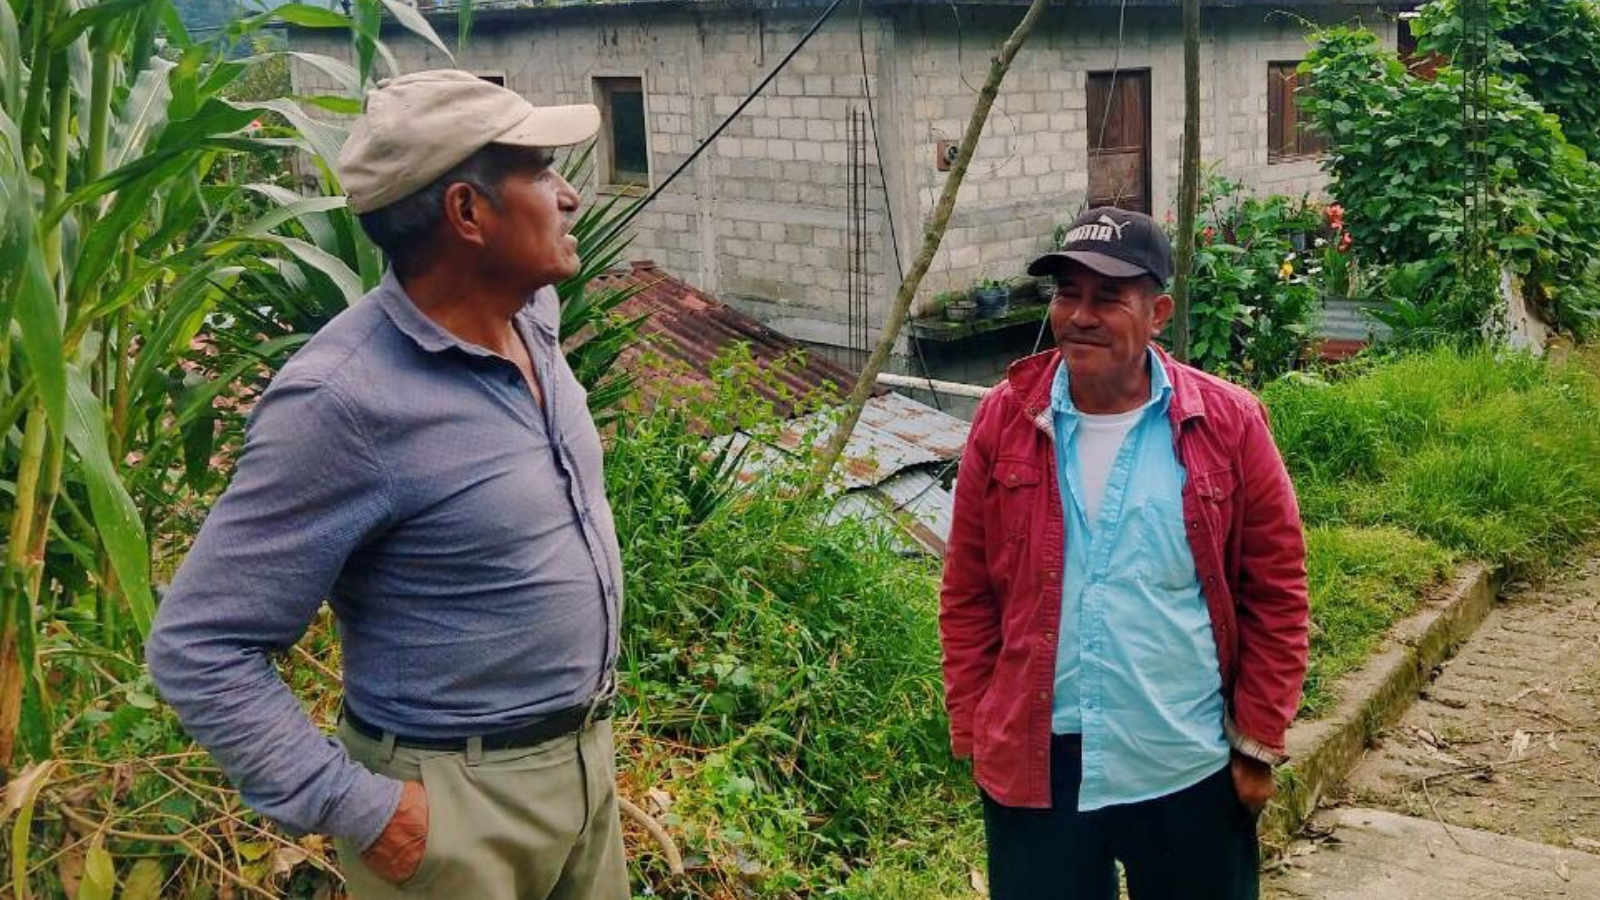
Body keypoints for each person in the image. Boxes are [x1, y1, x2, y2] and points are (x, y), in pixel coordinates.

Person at [145, 70, 630, 900]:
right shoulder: (341, 402)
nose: (569, 195)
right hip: (452, 814)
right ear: (468, 214)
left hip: (586, 771)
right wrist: (363, 810)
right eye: (541, 171)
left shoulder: (532, 321)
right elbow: (199, 646)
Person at [939, 206, 1310, 899]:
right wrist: (975, 725)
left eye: (1107, 297)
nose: (1081, 315)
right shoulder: (1004, 417)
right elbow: (966, 589)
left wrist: (1258, 740)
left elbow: (1276, 589)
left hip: (1182, 761)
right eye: (1067, 294)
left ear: (1159, 311)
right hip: (1036, 764)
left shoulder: (1228, 423)